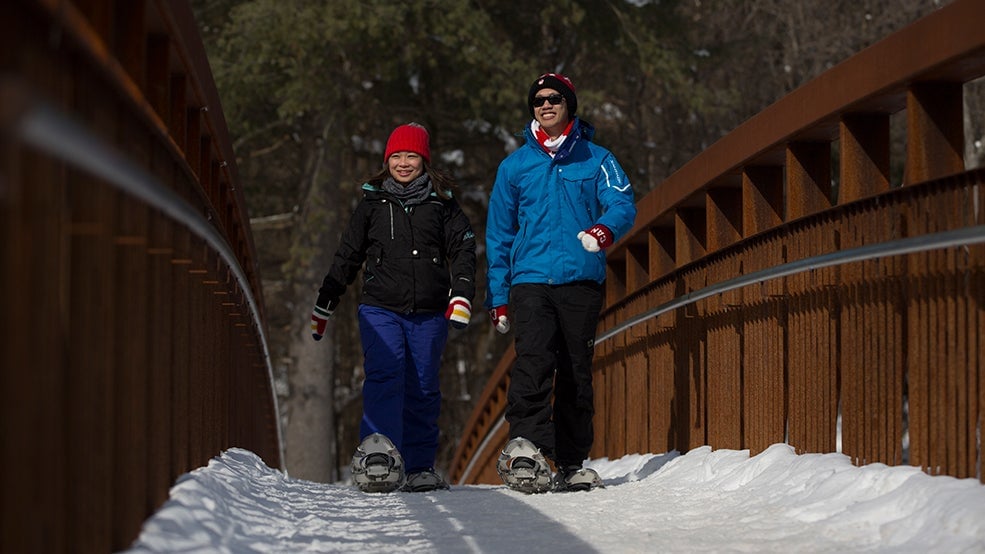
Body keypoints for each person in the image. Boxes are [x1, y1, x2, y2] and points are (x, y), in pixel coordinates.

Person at [484, 73, 637, 492]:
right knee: (532, 364)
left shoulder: (598, 159)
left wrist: (603, 231)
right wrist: (498, 298)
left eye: (554, 99)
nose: (545, 105)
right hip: (530, 280)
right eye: (538, 100)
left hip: (580, 280)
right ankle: (526, 455)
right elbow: (499, 234)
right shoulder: (514, 166)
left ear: (570, 104)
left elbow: (622, 203)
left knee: (575, 373)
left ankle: (570, 462)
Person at [310, 122, 477, 492]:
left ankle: (419, 466)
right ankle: (378, 457)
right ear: (387, 161)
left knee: (422, 386)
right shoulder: (372, 204)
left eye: (411, 156)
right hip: (380, 308)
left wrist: (461, 293)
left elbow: (463, 249)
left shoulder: (442, 203)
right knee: (386, 375)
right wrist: (326, 300)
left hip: (429, 312)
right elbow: (348, 255)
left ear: (424, 160)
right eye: (397, 156)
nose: (403, 163)